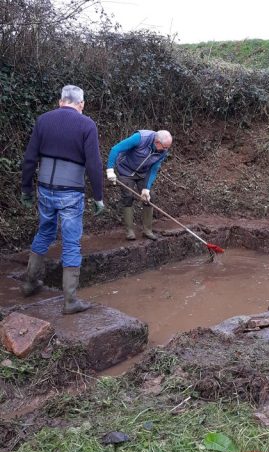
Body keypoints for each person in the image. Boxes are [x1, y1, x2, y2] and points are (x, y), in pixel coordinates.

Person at [21, 85, 105, 313]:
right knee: (70, 242)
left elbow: (29, 158)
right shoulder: (87, 124)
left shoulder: (43, 120)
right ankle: (70, 301)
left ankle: (30, 283)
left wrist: (26, 189)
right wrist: (98, 196)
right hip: (71, 193)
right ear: (81, 104)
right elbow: (94, 164)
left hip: (45, 189)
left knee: (45, 232)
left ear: (60, 101)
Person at [106, 129, 172, 241]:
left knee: (149, 197)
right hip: (125, 170)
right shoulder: (140, 138)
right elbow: (115, 149)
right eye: (165, 147)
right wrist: (110, 169)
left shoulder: (163, 151)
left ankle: (147, 230)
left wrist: (146, 188)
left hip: (142, 173)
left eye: (167, 147)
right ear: (157, 142)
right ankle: (129, 231)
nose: (166, 150)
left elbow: (154, 169)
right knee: (128, 196)